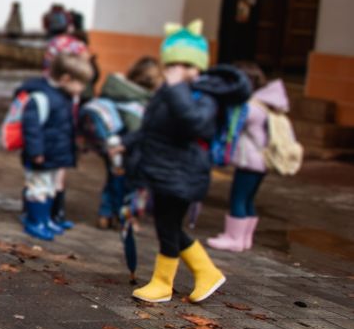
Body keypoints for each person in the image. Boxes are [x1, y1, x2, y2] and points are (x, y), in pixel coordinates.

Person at [127, 21, 251, 304]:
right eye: (171, 64)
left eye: (182, 64)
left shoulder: (205, 93)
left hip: (184, 171)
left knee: (168, 225)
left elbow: (197, 124)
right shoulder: (172, 90)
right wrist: (125, 144)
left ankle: (167, 282)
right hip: (164, 168)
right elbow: (152, 127)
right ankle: (201, 273)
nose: (174, 70)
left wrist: (175, 89)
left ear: (196, 65)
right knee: (166, 224)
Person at [206, 62, 298, 253]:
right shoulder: (266, 105)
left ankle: (234, 238)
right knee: (248, 200)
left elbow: (232, 124)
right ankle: (244, 238)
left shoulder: (251, 107)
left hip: (250, 162)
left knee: (237, 199)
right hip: (261, 162)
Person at [14, 53, 93, 240]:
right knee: (38, 188)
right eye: (81, 83)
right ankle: (35, 221)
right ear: (66, 78)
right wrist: (36, 152)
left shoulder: (63, 97)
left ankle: (46, 219)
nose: (83, 89)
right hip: (42, 155)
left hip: (56, 155)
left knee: (49, 188)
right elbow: (32, 129)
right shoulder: (41, 97)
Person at [80, 57, 160, 229]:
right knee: (130, 188)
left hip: (110, 148)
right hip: (129, 153)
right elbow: (138, 132)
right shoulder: (139, 102)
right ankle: (126, 220)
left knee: (112, 182)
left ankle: (105, 214)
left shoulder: (116, 91)